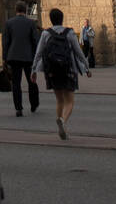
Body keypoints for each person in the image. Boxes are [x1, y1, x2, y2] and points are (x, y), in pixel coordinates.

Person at [32, 8, 90, 140]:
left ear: (51, 19)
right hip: (68, 69)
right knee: (69, 101)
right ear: (62, 18)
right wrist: (86, 68)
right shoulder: (69, 33)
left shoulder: (46, 33)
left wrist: (33, 70)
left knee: (59, 100)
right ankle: (63, 121)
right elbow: (78, 52)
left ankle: (61, 126)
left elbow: (39, 53)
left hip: (52, 71)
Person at [2, 1, 41, 116]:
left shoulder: (9, 23)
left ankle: (18, 108)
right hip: (28, 57)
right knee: (31, 82)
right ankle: (34, 104)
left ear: (16, 10)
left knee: (16, 83)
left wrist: (5, 57)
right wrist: (36, 57)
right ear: (25, 10)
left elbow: (6, 42)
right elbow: (35, 41)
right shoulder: (31, 23)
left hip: (13, 56)